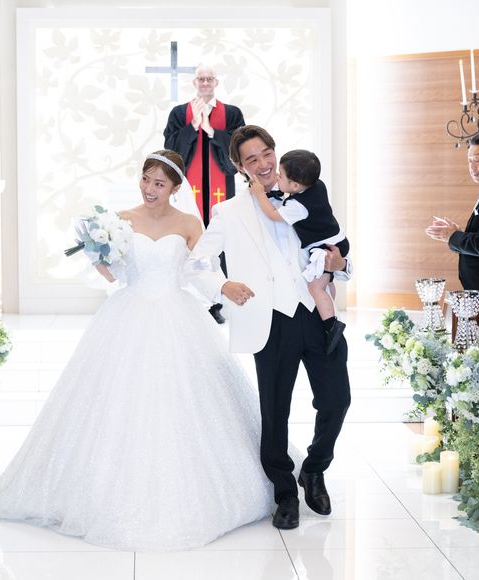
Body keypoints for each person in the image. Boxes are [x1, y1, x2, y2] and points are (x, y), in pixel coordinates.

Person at [0, 150, 273, 551]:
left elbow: (198, 271)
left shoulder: (189, 223)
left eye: (159, 183)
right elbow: (115, 274)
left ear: (175, 188)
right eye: (145, 179)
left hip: (176, 315)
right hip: (128, 312)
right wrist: (96, 254)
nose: (149, 189)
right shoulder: (120, 220)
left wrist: (225, 287)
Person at [184, 126, 352, 531]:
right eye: (252, 159)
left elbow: (338, 245)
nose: (263, 163)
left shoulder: (308, 190)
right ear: (240, 167)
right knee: (275, 411)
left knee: (337, 400)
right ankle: (284, 492)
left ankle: (314, 468)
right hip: (270, 320)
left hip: (318, 314)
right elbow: (197, 262)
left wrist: (341, 265)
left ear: (276, 152)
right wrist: (223, 286)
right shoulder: (229, 212)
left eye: (266, 153)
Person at [164, 64, 245, 324]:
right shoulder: (179, 113)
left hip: (222, 192)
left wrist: (211, 131)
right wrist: (193, 127)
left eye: (210, 78)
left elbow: (239, 152)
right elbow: (171, 151)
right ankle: (190, 299)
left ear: (216, 82)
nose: (206, 83)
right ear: (195, 83)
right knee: (190, 241)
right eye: (201, 79)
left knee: (219, 242)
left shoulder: (232, 114)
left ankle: (217, 302)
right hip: (189, 194)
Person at [249, 149, 350, 354]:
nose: (277, 176)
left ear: (295, 186)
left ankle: (331, 325)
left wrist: (260, 194)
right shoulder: (317, 185)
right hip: (337, 240)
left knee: (316, 288)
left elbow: (273, 214)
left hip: (325, 249)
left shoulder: (297, 206)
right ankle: (330, 308)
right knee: (325, 285)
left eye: (281, 176)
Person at [425, 133, 479, 301]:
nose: (472, 167)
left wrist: (453, 236)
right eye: (469, 161)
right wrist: (457, 233)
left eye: (478, 161)